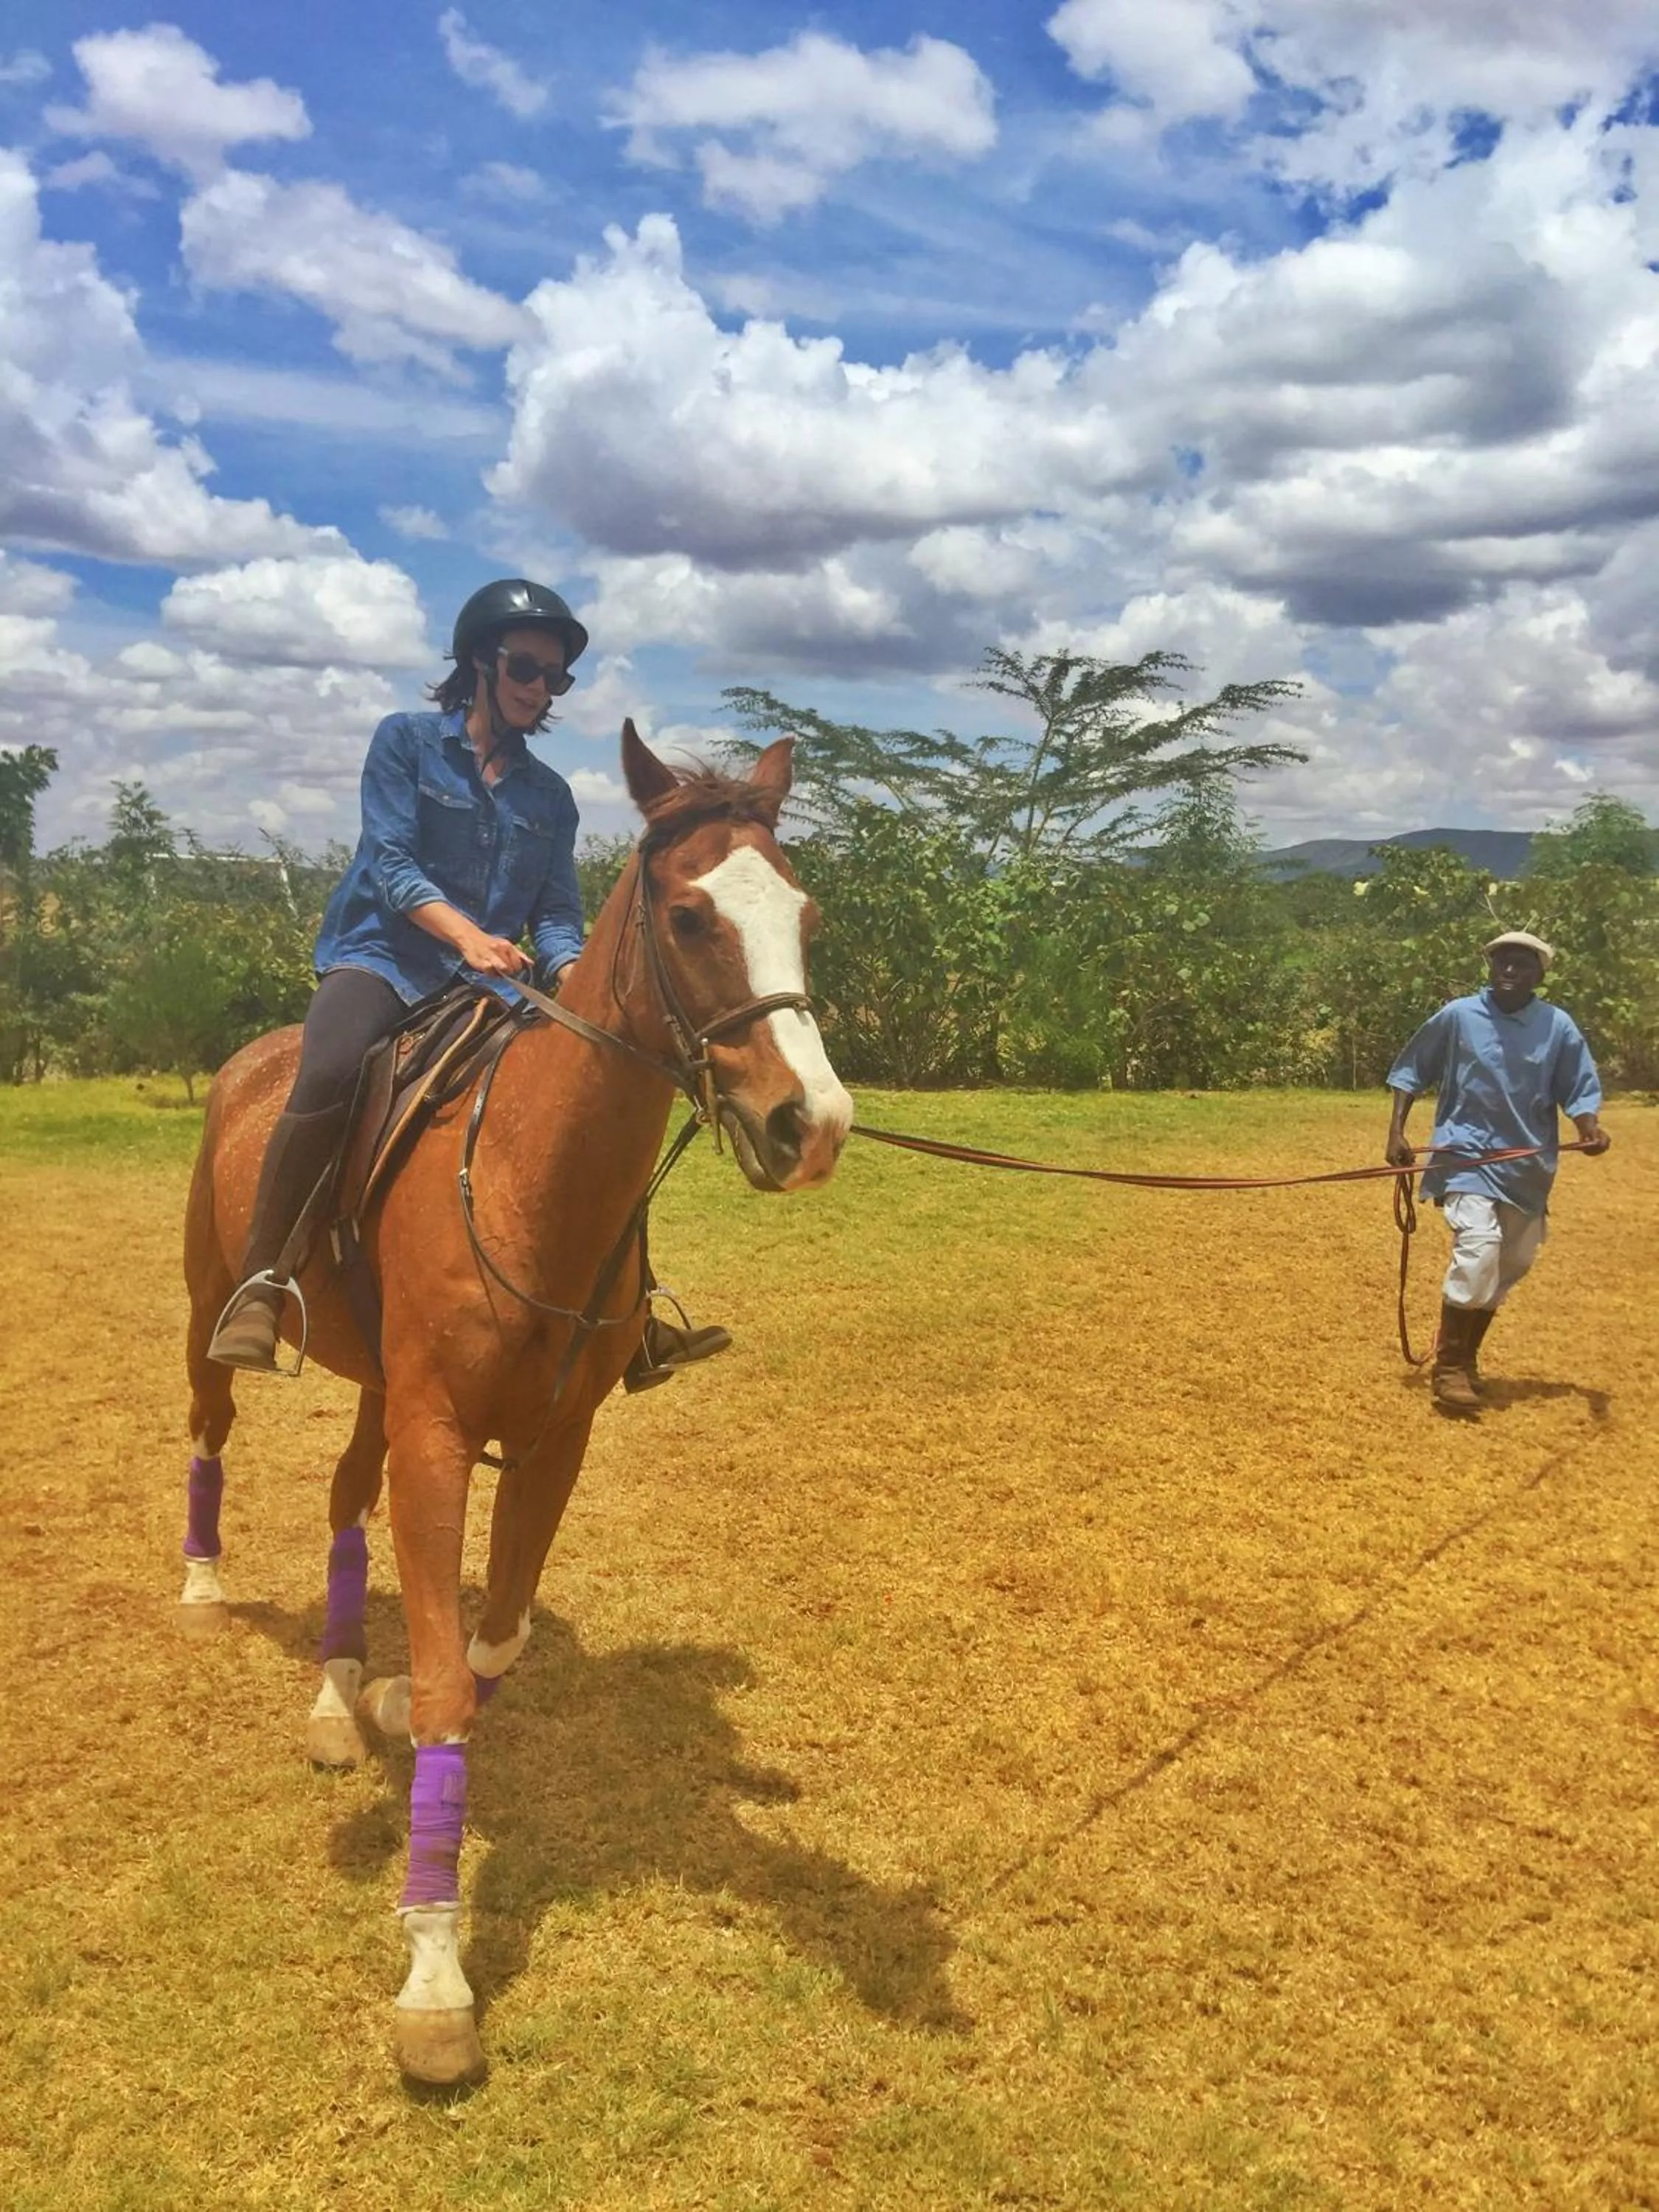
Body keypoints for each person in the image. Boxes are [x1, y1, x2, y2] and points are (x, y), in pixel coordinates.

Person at [207, 577, 730, 1390]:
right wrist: (467, 937)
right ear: (480, 663)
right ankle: (264, 1283)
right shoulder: (406, 743)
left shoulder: (551, 798)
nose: (539, 689)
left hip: (492, 983)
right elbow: (390, 863)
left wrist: (575, 978)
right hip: (382, 959)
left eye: (555, 678)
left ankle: (633, 1315)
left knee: (588, 1097)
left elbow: (555, 915)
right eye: (526, 668)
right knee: (333, 1065)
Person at [1384, 929, 1610, 1415]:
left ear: (1539, 975)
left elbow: (1579, 1089)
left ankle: (1467, 1359)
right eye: (1501, 962)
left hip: (1527, 1167)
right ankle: (1448, 1370)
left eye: (1521, 965)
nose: (1509, 970)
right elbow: (1411, 1070)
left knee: (1510, 1264)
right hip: (1463, 1157)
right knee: (1478, 1248)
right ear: (1490, 967)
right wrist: (1396, 1132)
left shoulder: (1558, 1027)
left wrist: (1590, 1129)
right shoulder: (1459, 1016)